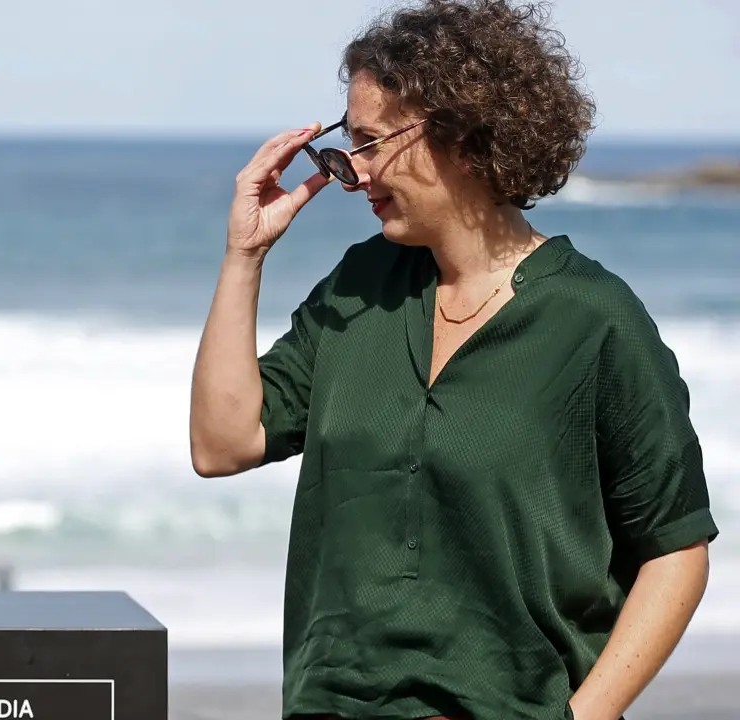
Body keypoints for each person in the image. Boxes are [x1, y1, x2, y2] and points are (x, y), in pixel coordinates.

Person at [188, 1, 717, 718]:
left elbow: (676, 550)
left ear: (461, 136)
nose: (352, 173)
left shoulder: (594, 319)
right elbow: (222, 444)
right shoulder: (360, 287)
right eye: (349, 145)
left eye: (371, 144)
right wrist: (244, 254)